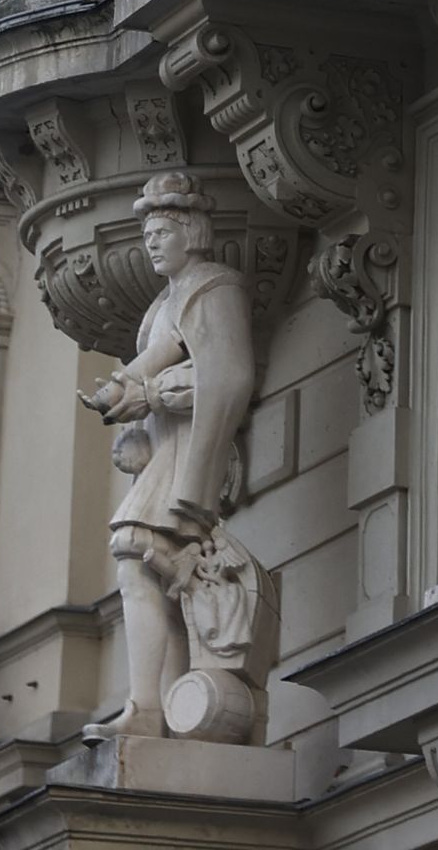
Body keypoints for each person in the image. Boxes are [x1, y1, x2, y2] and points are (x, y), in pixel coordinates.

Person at [83, 174, 265, 737]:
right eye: (147, 236)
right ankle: (159, 709)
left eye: (161, 232)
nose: (152, 245)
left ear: (192, 232)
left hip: (191, 448)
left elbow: (229, 374)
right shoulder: (167, 302)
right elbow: (156, 358)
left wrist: (152, 395)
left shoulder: (216, 286)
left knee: (137, 554)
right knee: (148, 565)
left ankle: (148, 708)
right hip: (166, 445)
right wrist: (120, 396)